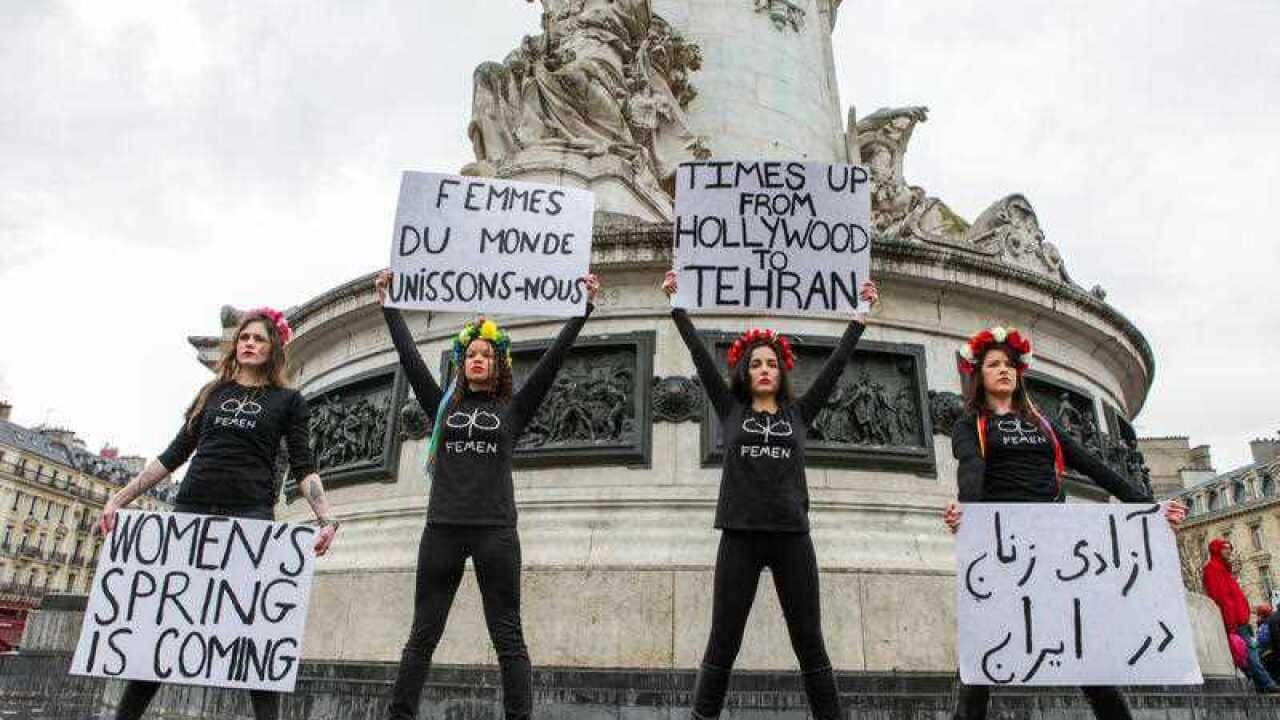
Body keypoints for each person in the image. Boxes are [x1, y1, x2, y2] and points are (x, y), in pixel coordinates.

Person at [376, 270, 601, 720]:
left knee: (508, 637)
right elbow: (410, 358)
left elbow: (553, 362)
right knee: (422, 635)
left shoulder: (512, 409)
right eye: (471, 355)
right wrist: (388, 305)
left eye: (487, 355)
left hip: (496, 532)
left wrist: (584, 307)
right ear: (462, 363)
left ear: (499, 365)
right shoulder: (444, 406)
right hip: (441, 529)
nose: (478, 359)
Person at [99, 307, 340, 720]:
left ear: (273, 348)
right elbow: (174, 455)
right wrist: (119, 498)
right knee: (164, 628)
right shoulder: (212, 393)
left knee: (253, 635)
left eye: (259, 339)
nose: (249, 344)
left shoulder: (287, 401)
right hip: (191, 512)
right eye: (244, 338)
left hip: (247, 518)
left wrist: (325, 517)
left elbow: (304, 465)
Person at [663, 270, 878, 720]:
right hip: (739, 536)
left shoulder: (800, 413)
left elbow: (836, 366)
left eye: (771, 364)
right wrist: (677, 306)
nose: (764, 370)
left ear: (782, 373)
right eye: (757, 364)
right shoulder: (731, 409)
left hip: (792, 537)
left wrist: (860, 318)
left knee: (809, 641)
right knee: (723, 640)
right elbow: (701, 358)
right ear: (746, 371)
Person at [941, 325, 1187, 720]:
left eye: (1009, 364)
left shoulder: (1044, 423)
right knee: (982, 653)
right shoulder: (971, 426)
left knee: (1081, 646)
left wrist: (1148, 507)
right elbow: (972, 470)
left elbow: (1094, 466)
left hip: (1052, 547)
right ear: (978, 375)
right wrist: (968, 515)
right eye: (993, 364)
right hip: (1006, 547)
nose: (1003, 370)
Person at [1202, 539, 1280, 692]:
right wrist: (1231, 624)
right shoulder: (1213, 569)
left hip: (1240, 620)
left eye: (1230, 548)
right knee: (1250, 653)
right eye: (1225, 548)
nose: (1229, 551)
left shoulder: (1224, 569)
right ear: (1217, 550)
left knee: (1248, 653)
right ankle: (1267, 684)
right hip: (1235, 622)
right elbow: (1222, 598)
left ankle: (1261, 684)